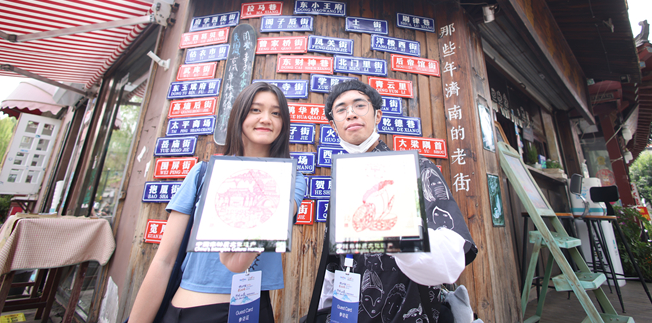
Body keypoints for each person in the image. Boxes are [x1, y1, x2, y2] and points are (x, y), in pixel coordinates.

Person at [129, 82, 306, 323]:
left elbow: (274, 221)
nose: (266, 118)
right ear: (239, 115)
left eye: (276, 113)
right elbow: (164, 260)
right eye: (256, 110)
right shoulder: (203, 173)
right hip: (186, 308)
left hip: (248, 311)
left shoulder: (292, 179)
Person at [324, 80, 477, 323]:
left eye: (359, 105)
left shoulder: (417, 169)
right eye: (341, 110)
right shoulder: (342, 184)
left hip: (411, 313)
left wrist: (399, 233)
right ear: (333, 125)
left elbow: (452, 254)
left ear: (378, 115)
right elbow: (335, 262)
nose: (350, 113)